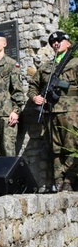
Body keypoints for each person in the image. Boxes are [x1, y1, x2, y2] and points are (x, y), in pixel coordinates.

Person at [27, 31, 78, 192]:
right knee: (55, 148)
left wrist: (66, 86)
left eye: (60, 40)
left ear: (68, 43)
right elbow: (33, 86)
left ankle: (69, 180)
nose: (56, 43)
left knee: (72, 145)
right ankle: (58, 179)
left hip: (72, 111)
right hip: (51, 112)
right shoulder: (45, 67)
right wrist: (35, 98)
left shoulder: (75, 62)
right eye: (53, 42)